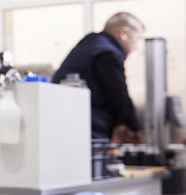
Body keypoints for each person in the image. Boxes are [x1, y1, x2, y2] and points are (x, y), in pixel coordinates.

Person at [52, 12, 146, 143]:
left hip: (61, 124)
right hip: (89, 128)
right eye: (138, 39)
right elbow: (117, 94)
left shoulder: (90, 45)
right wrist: (134, 128)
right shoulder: (107, 53)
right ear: (124, 34)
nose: (136, 47)